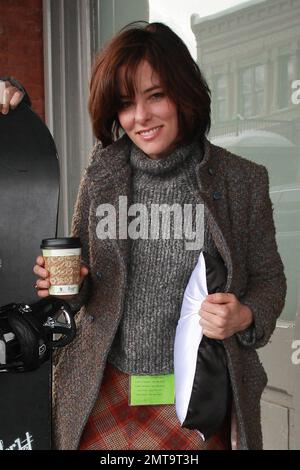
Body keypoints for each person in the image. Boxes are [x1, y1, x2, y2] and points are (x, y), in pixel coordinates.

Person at [3, 22, 286, 450]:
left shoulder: (241, 181)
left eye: (155, 96)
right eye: (125, 103)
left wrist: (244, 316)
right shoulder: (103, 175)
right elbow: (83, 287)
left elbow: (270, 279)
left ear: (183, 93)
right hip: (105, 389)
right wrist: (71, 286)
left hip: (196, 400)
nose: (141, 117)